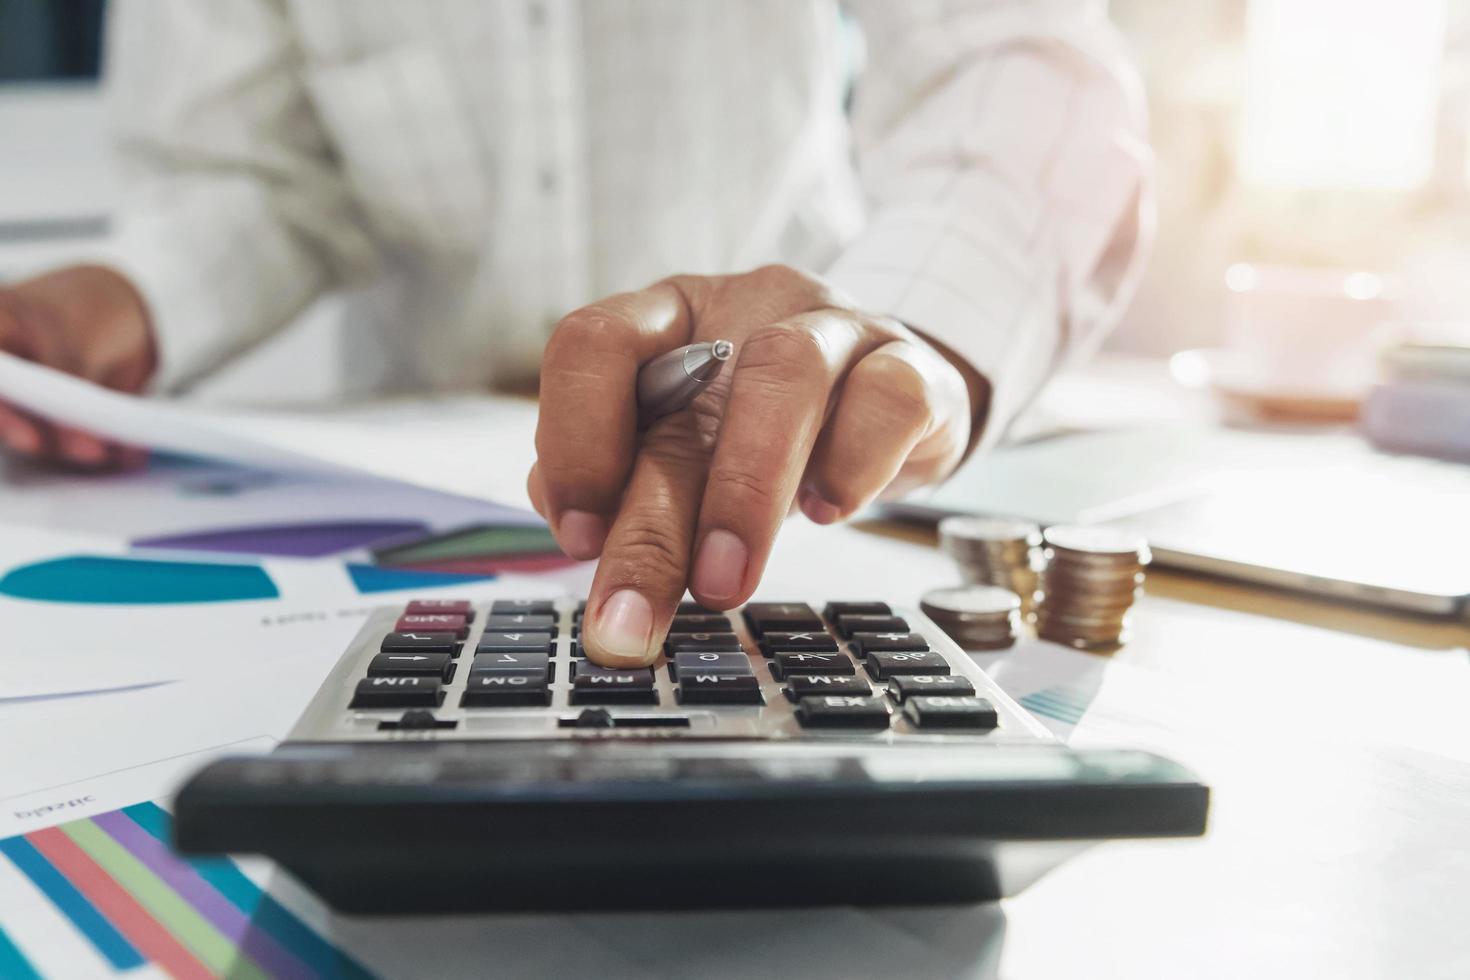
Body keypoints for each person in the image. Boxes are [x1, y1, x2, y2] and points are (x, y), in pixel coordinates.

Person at [0, 1, 1151, 666]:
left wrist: (915, 325)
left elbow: (1021, 71)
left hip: (796, 446)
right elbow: (263, 175)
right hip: (412, 498)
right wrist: (136, 289)